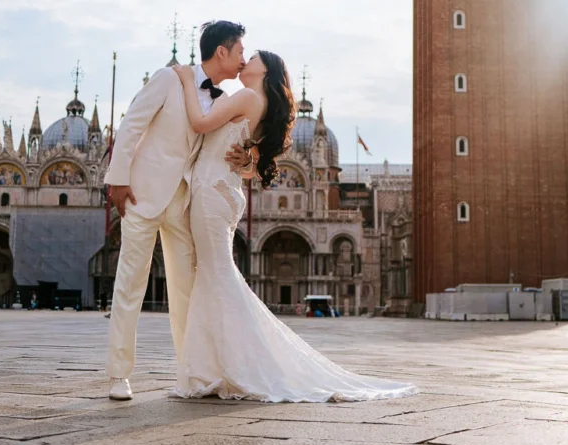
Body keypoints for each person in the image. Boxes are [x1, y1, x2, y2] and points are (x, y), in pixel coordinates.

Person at [169, 51, 416, 402]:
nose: (244, 59)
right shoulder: (264, 106)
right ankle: (221, 366)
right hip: (224, 194)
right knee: (218, 278)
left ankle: (221, 368)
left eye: (250, 56)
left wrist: (184, 80)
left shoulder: (245, 97)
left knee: (214, 277)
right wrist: (251, 159)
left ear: (265, 70)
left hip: (213, 194)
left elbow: (199, 123)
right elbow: (254, 166)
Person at [104, 21, 247, 400]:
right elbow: (132, 123)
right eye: (239, 52)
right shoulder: (168, 79)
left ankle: (192, 374)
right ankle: (120, 374)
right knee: (130, 284)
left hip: (184, 203)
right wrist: (117, 179)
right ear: (222, 52)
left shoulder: (224, 99)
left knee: (187, 291)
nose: (242, 60)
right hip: (142, 196)